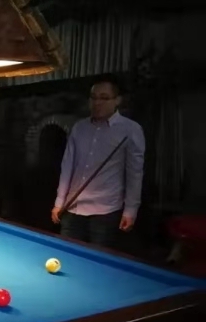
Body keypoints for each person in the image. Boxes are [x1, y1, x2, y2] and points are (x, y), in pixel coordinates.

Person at [51, 75, 145, 248]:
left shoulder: (131, 130)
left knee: (98, 259)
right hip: (72, 208)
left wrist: (130, 210)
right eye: (93, 98)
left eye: (104, 98)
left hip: (105, 212)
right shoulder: (79, 127)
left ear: (117, 100)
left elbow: (135, 174)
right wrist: (59, 201)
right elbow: (67, 166)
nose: (97, 103)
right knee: (67, 254)